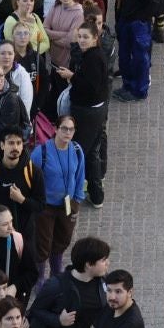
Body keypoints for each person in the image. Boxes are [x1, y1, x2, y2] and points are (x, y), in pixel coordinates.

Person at [57, 20, 109, 208]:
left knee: (79, 153)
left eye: (86, 37)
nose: (82, 40)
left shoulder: (94, 58)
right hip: (95, 111)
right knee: (91, 153)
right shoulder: (92, 55)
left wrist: (72, 76)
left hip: (87, 113)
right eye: (79, 36)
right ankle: (96, 194)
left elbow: (90, 87)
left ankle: (75, 194)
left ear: (95, 38)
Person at [30, 115, 85, 277]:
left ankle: (56, 273)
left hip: (67, 204)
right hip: (45, 206)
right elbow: (31, 179)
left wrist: (77, 200)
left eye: (71, 129)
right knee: (43, 242)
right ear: (55, 129)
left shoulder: (76, 150)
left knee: (63, 239)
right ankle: (39, 277)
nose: (67, 133)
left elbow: (80, 176)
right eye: (64, 129)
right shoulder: (42, 152)